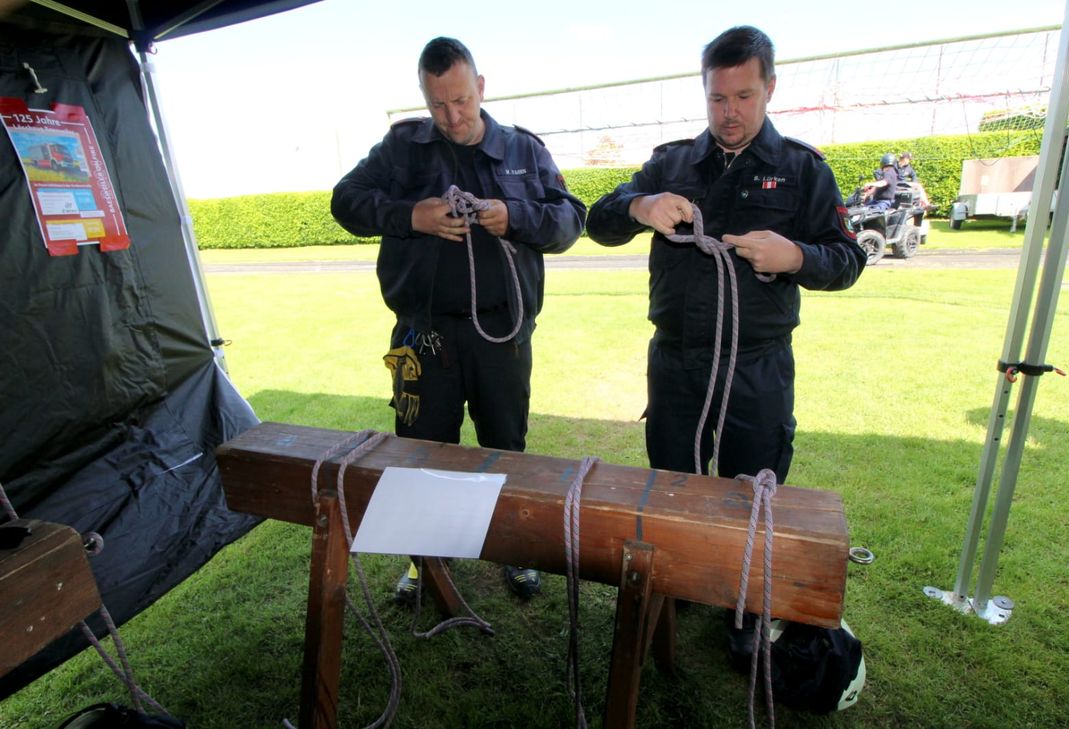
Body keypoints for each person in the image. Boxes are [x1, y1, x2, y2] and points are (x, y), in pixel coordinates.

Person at [331, 37, 586, 603]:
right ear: (424, 98)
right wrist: (409, 215)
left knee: (505, 443)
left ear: (482, 88)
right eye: (439, 104)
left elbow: (571, 221)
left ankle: (514, 549)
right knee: (421, 449)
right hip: (423, 332)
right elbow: (345, 201)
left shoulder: (522, 149)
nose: (452, 116)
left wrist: (513, 216)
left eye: (463, 101)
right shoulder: (402, 149)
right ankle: (427, 561)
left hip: (503, 332)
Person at [585, 25, 866, 484]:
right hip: (676, 365)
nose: (730, 113)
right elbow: (598, 222)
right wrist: (641, 206)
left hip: (756, 367)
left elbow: (848, 260)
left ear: (769, 88)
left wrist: (794, 257)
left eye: (744, 96)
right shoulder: (670, 164)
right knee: (673, 491)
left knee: (751, 497)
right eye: (718, 99)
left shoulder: (802, 169)